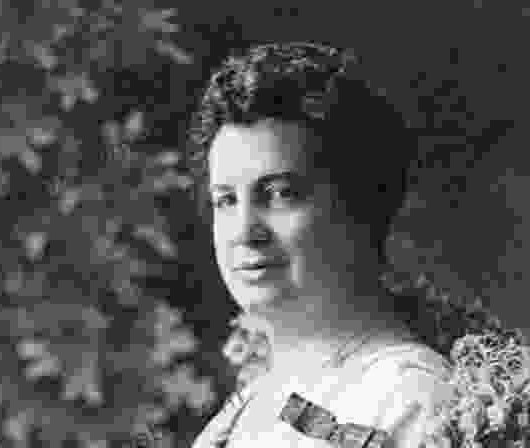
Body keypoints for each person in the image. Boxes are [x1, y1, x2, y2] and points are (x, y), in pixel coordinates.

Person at [187, 42, 452, 448]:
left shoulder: (409, 400)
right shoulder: (259, 402)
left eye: (279, 194)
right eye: (226, 199)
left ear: (359, 203)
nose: (244, 231)